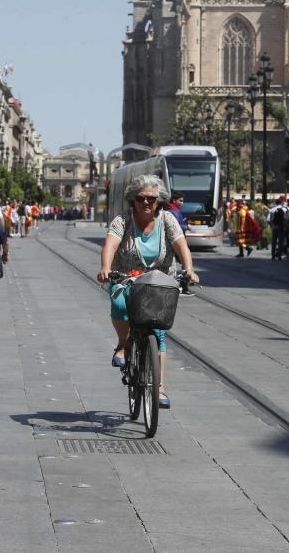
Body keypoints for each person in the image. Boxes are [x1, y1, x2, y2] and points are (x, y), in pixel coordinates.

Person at [97, 174, 198, 409]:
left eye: (152, 199)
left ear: (159, 201)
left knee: (158, 331)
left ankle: (159, 387)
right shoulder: (122, 221)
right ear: (133, 199)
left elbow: (181, 245)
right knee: (121, 305)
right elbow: (110, 245)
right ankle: (123, 344)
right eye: (141, 198)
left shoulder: (168, 220)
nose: (146, 203)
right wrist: (105, 268)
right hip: (127, 277)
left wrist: (189, 269)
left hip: (160, 281)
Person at [268, 195, 289, 260]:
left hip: (274, 227)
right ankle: (279, 255)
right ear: (282, 202)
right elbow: (286, 219)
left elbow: (269, 220)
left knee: (274, 242)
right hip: (281, 227)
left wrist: (272, 226)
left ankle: (273, 255)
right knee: (280, 242)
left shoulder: (272, 210)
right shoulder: (285, 209)